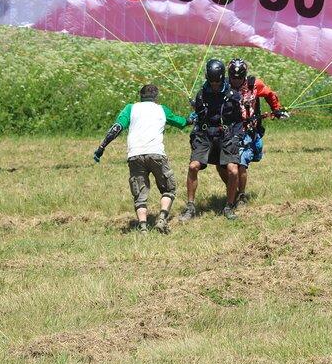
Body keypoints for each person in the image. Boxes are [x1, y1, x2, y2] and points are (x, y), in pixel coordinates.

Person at [93, 84, 192, 234]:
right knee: (168, 189)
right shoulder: (161, 109)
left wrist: (102, 147)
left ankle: (143, 228)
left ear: (140, 95)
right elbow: (182, 123)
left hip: (135, 155)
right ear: (156, 96)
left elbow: (117, 128)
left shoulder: (130, 108)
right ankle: (162, 219)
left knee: (140, 194)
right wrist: (191, 118)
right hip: (156, 154)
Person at [224, 58, 289, 212]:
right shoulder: (224, 86)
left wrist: (276, 109)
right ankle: (239, 194)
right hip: (232, 131)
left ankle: (239, 193)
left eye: (239, 78)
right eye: (233, 78)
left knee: (244, 163)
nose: (236, 81)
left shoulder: (255, 84)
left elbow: (270, 94)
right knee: (239, 164)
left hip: (250, 130)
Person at [179, 58, 237, 221]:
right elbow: (199, 114)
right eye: (211, 82)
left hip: (227, 136)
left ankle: (230, 206)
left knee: (232, 170)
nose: (215, 85)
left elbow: (238, 120)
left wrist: (237, 137)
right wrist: (194, 117)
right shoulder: (202, 94)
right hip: (204, 135)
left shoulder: (232, 95)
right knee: (193, 167)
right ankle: (190, 207)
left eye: (217, 82)